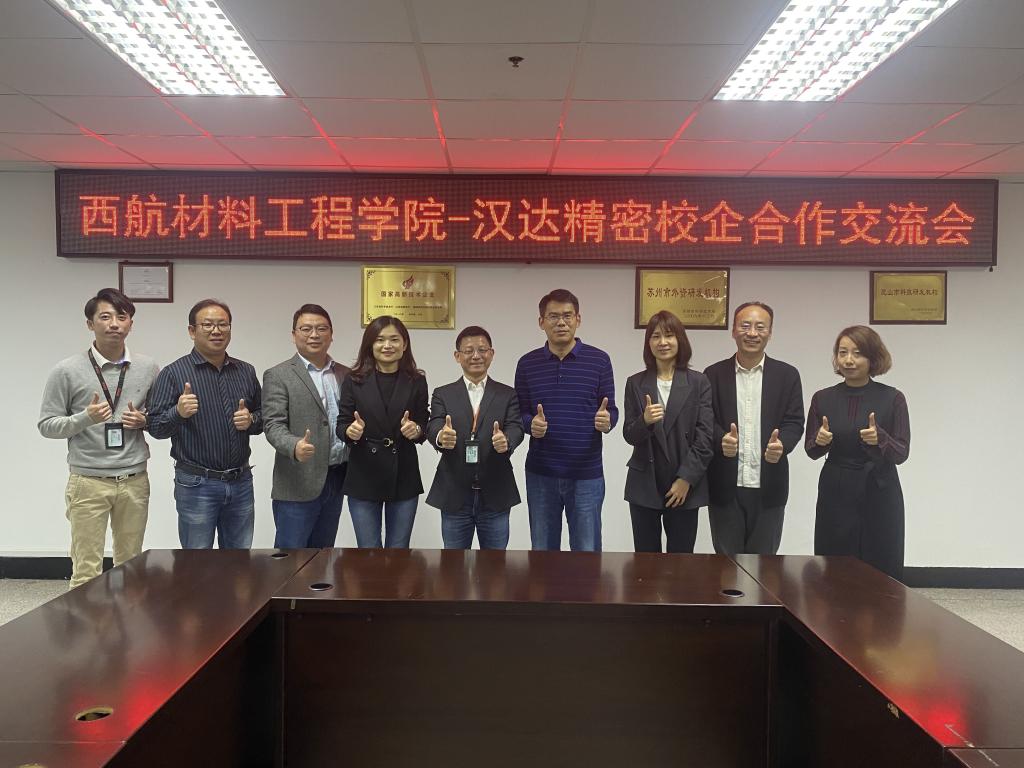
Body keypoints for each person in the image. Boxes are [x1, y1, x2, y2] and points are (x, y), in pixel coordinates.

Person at [38, 288, 159, 588]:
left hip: (134, 480)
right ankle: (86, 622)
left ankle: (126, 620)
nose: (114, 324)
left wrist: (144, 421)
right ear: (90, 324)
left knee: (131, 567)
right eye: (105, 317)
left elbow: (159, 418)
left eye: (122, 317)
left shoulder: (148, 368)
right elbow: (47, 425)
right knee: (86, 572)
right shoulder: (66, 370)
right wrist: (85, 418)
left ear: (131, 324)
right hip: (88, 481)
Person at [147, 299, 262, 549]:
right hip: (197, 484)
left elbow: (264, 416)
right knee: (197, 562)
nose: (216, 331)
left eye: (223, 324)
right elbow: (154, 426)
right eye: (208, 325)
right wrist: (178, 413)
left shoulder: (246, 371)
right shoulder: (173, 373)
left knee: (239, 560)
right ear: (192, 331)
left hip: (241, 482)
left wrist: (251, 420)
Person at [514, 288, 618, 552]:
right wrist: (530, 425)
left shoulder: (599, 360)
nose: (561, 322)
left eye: (567, 315)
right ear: (541, 322)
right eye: (553, 316)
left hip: (586, 474)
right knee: (542, 552)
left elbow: (612, 411)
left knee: (586, 553)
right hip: (541, 473)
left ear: (578, 319)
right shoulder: (527, 364)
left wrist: (607, 421)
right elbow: (519, 414)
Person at [805, 325, 910, 581]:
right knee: (834, 563)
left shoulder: (893, 398)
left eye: (857, 353)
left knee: (881, 559)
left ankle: (882, 607)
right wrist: (820, 441)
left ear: (873, 358)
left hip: (879, 487)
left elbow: (902, 452)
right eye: (842, 353)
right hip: (836, 487)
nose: (848, 360)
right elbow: (811, 449)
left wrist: (880, 438)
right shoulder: (822, 398)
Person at [704, 301, 804, 555]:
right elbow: (704, 420)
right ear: (733, 331)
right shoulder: (713, 374)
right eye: (745, 326)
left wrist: (782, 445)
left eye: (760, 327)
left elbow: (794, 421)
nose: (752, 333)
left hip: (769, 485)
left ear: (770, 333)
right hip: (725, 485)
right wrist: (720, 439)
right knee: (727, 565)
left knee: (764, 565)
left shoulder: (787, 375)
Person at [622, 311, 714, 553]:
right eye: (656, 336)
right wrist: (644, 421)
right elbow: (629, 435)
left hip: (683, 484)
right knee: (645, 561)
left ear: (680, 340)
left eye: (669, 335)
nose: (662, 342)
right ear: (648, 343)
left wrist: (686, 479)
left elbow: (705, 437)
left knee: (681, 561)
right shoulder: (635, 382)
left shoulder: (698, 382)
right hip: (645, 483)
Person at [426, 326, 524, 549]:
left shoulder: (507, 394)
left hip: (496, 492)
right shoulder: (443, 393)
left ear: (491, 353)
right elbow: (434, 423)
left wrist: (507, 440)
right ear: (457, 356)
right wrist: (441, 435)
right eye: (469, 351)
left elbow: (516, 426)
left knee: (496, 565)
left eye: (482, 350)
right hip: (454, 492)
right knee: (454, 564)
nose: (476, 356)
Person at [263, 304, 350, 548]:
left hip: (337, 476)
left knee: (323, 553)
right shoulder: (278, 375)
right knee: (290, 557)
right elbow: (273, 424)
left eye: (321, 329)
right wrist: (294, 446)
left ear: (331, 334)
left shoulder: (346, 374)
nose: (314, 335)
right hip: (298, 480)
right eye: (306, 329)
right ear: (294, 335)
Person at [338, 316, 428, 548]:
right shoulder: (353, 380)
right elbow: (342, 424)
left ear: (404, 344)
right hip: (363, 473)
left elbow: (424, 423)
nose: (387, 345)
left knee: (399, 550)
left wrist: (416, 429)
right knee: (368, 551)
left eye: (394, 339)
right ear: (370, 344)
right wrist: (350, 431)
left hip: (404, 473)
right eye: (380, 339)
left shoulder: (416, 380)